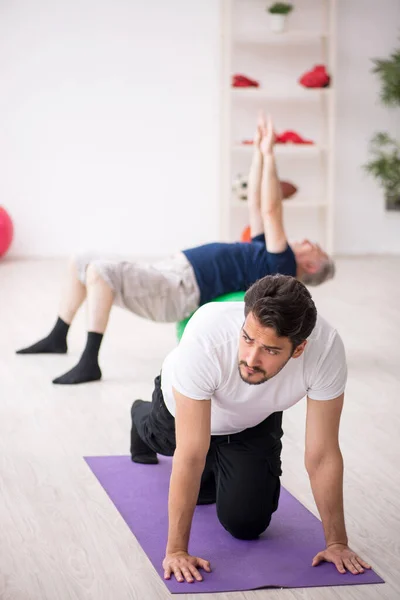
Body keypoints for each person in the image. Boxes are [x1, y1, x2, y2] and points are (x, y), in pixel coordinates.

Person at [16, 116, 335, 385]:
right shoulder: (266, 251)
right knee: (81, 260)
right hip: (173, 273)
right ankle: (58, 336)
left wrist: (272, 156)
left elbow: (271, 209)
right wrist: (260, 153)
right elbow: (255, 200)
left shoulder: (280, 263)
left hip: (179, 291)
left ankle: (89, 361)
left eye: (315, 248)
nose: (308, 241)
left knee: (99, 272)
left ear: (308, 266)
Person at [130, 274, 371, 584]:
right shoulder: (207, 336)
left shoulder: (325, 351)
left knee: (247, 524)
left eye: (270, 350)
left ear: (298, 350)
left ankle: (218, 466)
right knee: (170, 442)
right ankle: (139, 416)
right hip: (182, 410)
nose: (250, 359)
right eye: (247, 338)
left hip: (252, 420)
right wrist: (176, 551)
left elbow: (322, 454)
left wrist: (337, 543)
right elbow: (190, 454)